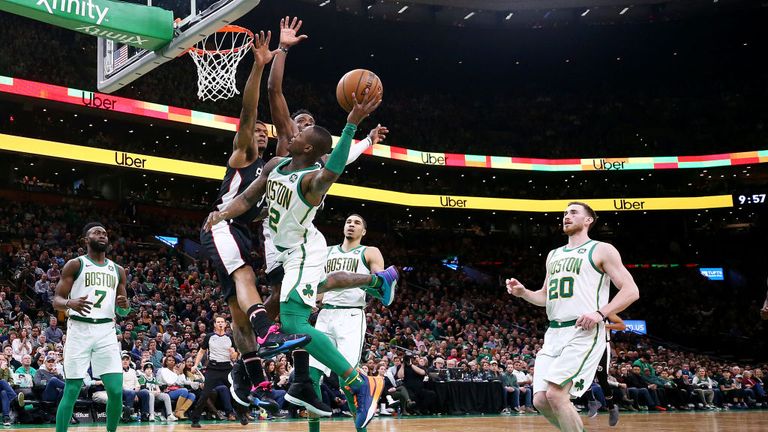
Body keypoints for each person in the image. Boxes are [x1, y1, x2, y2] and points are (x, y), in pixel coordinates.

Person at [204, 86, 386, 430]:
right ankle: (273, 374)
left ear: (306, 148)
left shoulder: (311, 181)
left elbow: (333, 170)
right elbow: (246, 199)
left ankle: (360, 382)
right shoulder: (275, 164)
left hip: (304, 250)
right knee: (282, 317)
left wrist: (351, 126)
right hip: (284, 253)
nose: (292, 130)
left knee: (294, 324)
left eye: (300, 131)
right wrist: (223, 213)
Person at [196, 30, 311, 415]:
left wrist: (282, 52)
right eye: (257, 131)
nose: (261, 132)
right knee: (245, 279)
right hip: (222, 225)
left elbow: (280, 115)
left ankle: (250, 372)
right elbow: (249, 112)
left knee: (236, 307)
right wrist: (258, 67)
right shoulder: (244, 155)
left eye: (266, 131)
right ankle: (266, 332)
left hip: (245, 233)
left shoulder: (275, 164)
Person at [505, 202, 640, 432]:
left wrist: (600, 313)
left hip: (583, 331)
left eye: (573, 213)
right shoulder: (553, 254)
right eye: (565, 213)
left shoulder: (601, 249)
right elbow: (544, 297)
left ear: (588, 220)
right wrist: (524, 293)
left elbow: (631, 291)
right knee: (540, 400)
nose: (567, 216)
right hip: (554, 332)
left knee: (556, 395)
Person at [301, 214, 391, 432]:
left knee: (347, 382)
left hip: (351, 316)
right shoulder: (327, 252)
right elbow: (318, 288)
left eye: (357, 222)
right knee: (310, 378)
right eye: (348, 222)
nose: (351, 225)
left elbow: (382, 286)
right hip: (325, 315)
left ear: (364, 231)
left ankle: (361, 430)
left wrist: (356, 282)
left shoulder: (369, 251)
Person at [52, 222, 130, 432]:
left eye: (105, 233)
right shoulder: (75, 264)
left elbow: (123, 310)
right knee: (72, 389)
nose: (102, 235)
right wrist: (70, 303)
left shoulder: (118, 270)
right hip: (79, 329)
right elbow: (56, 300)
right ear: (86, 240)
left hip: (106, 331)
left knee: (115, 391)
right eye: (97, 232)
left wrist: (125, 307)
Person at [189, 316, 258, 427]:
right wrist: (195, 365)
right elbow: (201, 352)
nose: (220, 324)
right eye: (218, 322)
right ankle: (195, 420)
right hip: (213, 368)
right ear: (215, 324)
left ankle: (241, 415)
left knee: (235, 393)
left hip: (227, 368)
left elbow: (235, 356)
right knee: (205, 394)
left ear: (225, 324)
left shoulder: (230, 338)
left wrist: (233, 353)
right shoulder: (209, 337)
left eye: (222, 322)